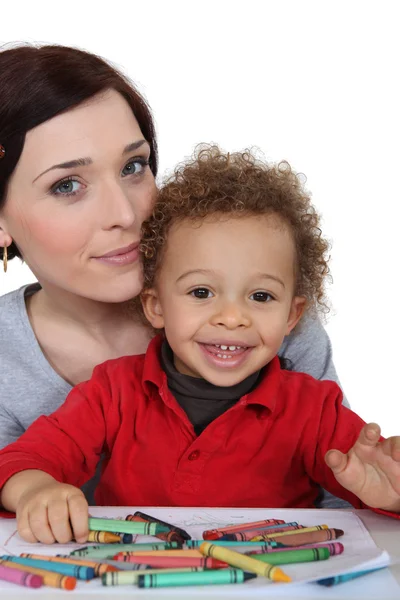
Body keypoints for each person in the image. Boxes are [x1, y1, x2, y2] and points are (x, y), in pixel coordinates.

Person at [0, 43, 344, 508]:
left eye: (133, 166)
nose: (124, 213)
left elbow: (343, 507)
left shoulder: (266, 312)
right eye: (67, 185)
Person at [0, 145, 399, 545]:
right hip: (135, 578)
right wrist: (35, 489)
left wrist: (388, 493)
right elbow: (24, 459)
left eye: (260, 297)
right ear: (156, 306)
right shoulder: (112, 392)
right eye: (202, 291)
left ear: (292, 317)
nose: (231, 317)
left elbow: (374, 484)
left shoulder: (315, 411)